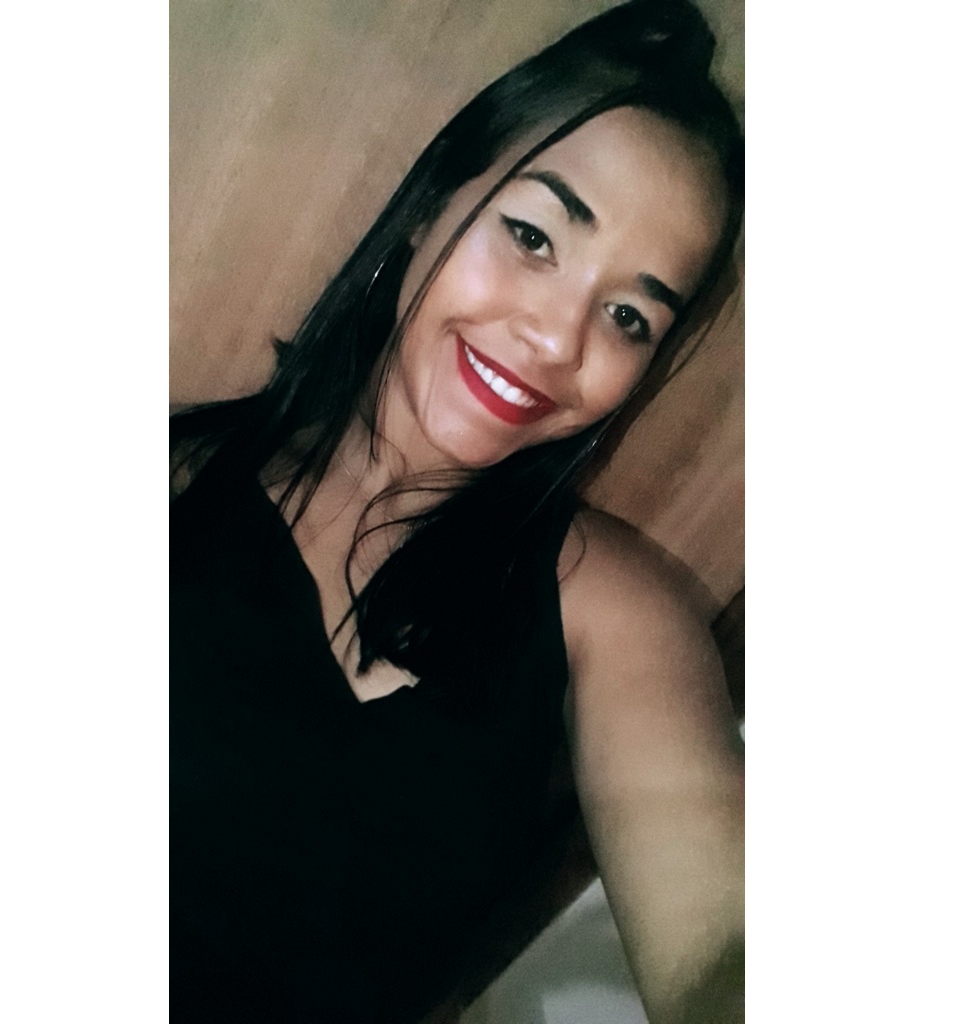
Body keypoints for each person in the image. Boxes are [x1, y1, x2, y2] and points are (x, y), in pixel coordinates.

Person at [170, 1, 745, 1021]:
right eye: (532, 236)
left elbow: (728, 943)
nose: (558, 340)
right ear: (433, 203)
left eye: (627, 316)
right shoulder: (171, 482)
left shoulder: (611, 609)